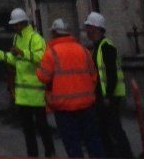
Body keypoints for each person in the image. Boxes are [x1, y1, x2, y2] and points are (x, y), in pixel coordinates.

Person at [38, 19, 103, 159]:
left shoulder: (51, 53)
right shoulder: (83, 50)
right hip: (86, 104)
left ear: (54, 33)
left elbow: (43, 77)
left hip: (64, 107)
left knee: (73, 144)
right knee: (92, 141)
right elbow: (94, 76)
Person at [0, 7, 56, 157]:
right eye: (13, 25)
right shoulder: (17, 38)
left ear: (24, 23)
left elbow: (43, 58)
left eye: (17, 24)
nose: (14, 27)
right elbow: (15, 60)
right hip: (23, 94)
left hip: (36, 93)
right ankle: (33, 155)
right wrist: (0, 55)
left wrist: (23, 52)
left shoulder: (36, 38)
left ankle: (50, 153)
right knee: (28, 129)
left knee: (42, 127)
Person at [83, 12, 132, 159]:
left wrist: (108, 96)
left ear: (96, 28)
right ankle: (111, 153)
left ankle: (125, 154)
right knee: (105, 128)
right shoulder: (99, 46)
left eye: (89, 27)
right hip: (103, 96)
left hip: (109, 96)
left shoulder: (106, 47)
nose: (87, 31)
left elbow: (111, 74)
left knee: (113, 128)